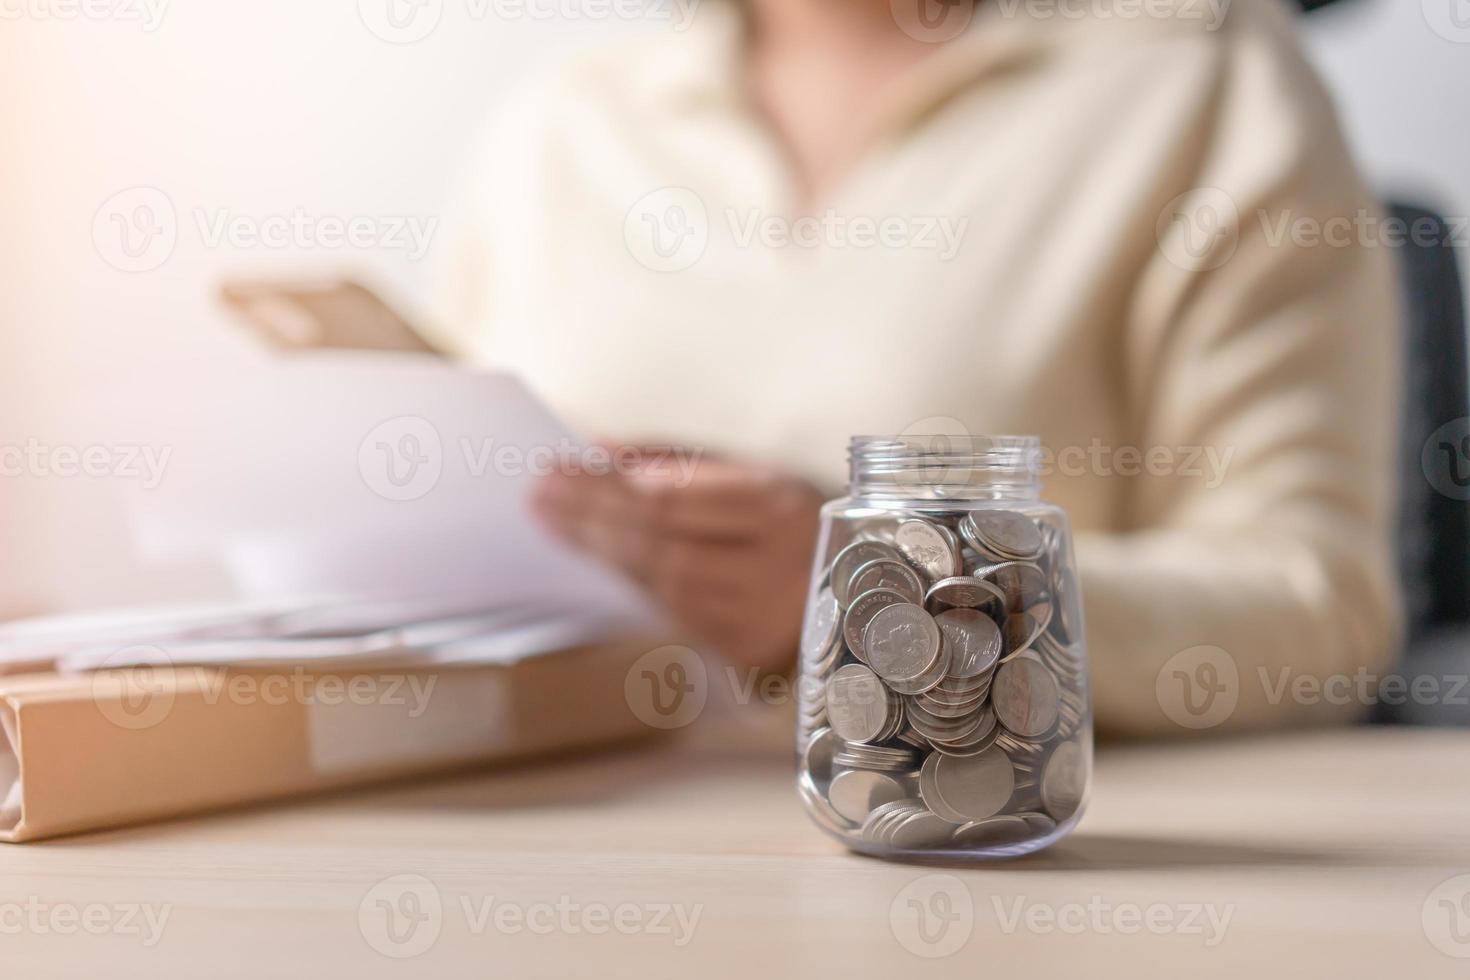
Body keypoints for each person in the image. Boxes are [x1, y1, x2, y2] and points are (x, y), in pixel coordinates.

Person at [425, 0, 1402, 735]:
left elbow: (1319, 605)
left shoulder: (1204, 77)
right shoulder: (565, 118)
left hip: (997, 868)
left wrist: (902, 598)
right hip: (567, 854)